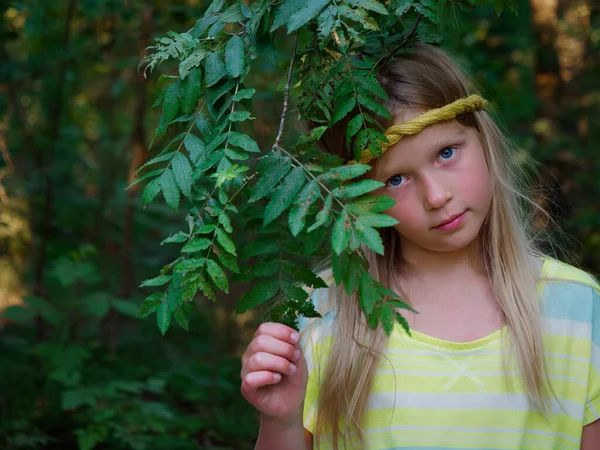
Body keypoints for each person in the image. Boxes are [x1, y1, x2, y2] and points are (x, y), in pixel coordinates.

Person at [240, 43, 600, 449]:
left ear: (483, 139)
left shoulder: (577, 308)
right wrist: (282, 422)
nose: (436, 196)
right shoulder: (321, 314)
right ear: (360, 197)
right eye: (396, 179)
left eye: (446, 153)